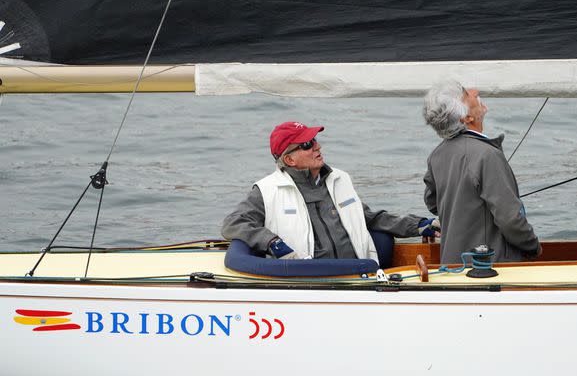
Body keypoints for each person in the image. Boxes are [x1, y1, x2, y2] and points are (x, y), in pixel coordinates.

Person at [222, 121, 439, 263]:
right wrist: (271, 242)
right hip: (309, 281)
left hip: (359, 275)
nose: (317, 146)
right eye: (307, 144)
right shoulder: (267, 190)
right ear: (289, 159)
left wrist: (419, 225)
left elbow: (367, 218)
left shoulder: (339, 179)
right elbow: (233, 223)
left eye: (315, 140)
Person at [422, 80, 540, 264]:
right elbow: (510, 220)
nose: (474, 91)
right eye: (466, 94)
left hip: (453, 264)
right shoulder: (487, 155)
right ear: (466, 118)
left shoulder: (436, 155)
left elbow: (432, 202)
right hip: (489, 268)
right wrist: (533, 246)